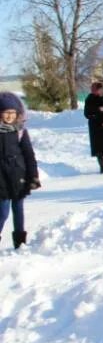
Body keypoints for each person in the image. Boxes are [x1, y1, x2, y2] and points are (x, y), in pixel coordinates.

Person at [0, 92, 40, 249]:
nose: (9, 116)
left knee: (18, 210)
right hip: (1, 178)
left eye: (12, 113)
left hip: (18, 175)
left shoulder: (20, 131)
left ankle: (20, 242)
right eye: (5, 112)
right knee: (2, 212)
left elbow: (29, 154)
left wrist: (34, 176)